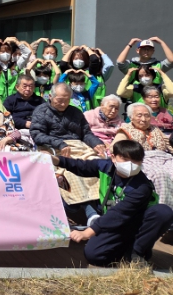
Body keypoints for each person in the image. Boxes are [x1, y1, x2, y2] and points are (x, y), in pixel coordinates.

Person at [51, 140, 173, 266]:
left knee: (163, 212)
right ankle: (126, 247)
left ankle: (137, 252)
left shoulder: (142, 187)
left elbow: (119, 213)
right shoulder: (106, 166)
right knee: (94, 255)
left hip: (137, 223)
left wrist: (88, 232)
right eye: (125, 159)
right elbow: (81, 166)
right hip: (115, 224)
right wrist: (56, 160)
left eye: (136, 161)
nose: (131, 165)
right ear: (113, 157)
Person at [30, 83, 107, 215]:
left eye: (67, 100)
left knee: (99, 165)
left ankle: (103, 206)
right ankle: (90, 212)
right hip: (54, 148)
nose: (63, 103)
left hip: (80, 147)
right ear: (50, 96)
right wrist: (59, 143)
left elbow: (86, 133)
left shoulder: (75, 111)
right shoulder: (41, 111)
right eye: (60, 100)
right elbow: (37, 134)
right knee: (72, 173)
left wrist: (96, 143)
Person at [112, 104, 173, 209]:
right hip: (143, 159)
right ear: (131, 117)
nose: (143, 119)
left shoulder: (155, 129)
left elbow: (169, 144)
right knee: (160, 175)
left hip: (164, 158)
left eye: (147, 115)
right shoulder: (125, 130)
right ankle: (165, 209)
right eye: (139, 115)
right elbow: (115, 147)